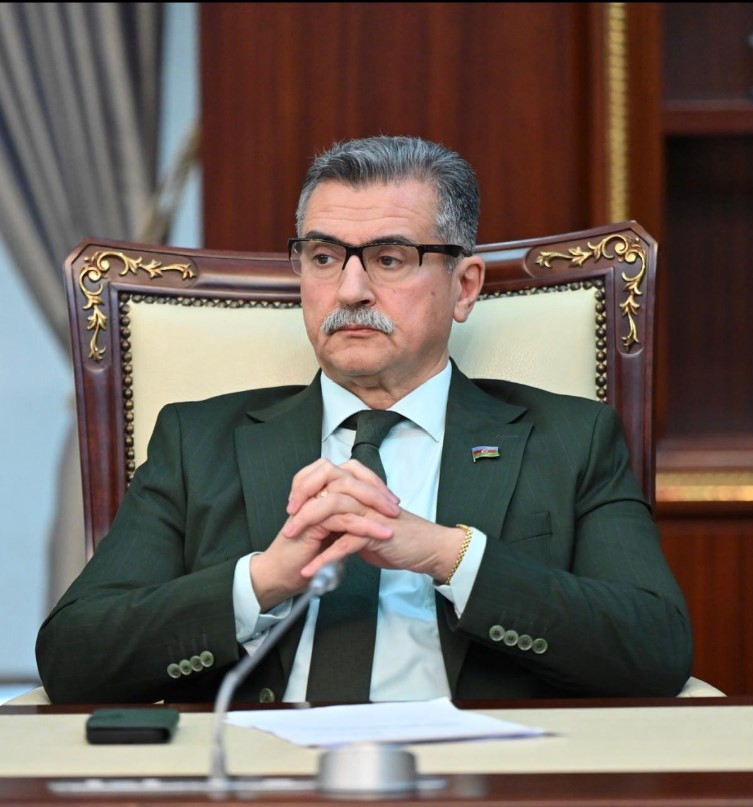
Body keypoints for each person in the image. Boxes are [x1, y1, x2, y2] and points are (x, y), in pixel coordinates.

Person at [36, 135, 693, 704]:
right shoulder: (196, 441)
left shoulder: (570, 439)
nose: (350, 290)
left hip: (477, 772)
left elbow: (655, 648)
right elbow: (74, 656)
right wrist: (261, 582)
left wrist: (447, 555)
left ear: (463, 287)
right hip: (260, 776)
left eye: (389, 258)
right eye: (324, 258)